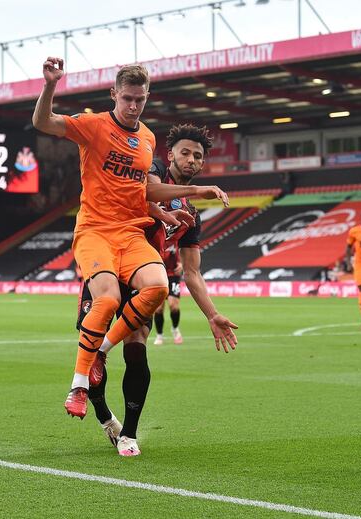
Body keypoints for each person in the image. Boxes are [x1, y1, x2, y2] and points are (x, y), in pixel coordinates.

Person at [31, 57, 230, 419]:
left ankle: (101, 356)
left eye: (140, 99)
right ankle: (78, 386)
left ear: (147, 97)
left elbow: (140, 192)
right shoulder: (93, 126)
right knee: (105, 301)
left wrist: (168, 210)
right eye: (127, 99)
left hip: (131, 236)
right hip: (95, 231)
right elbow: (43, 122)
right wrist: (50, 86)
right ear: (114, 95)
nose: (134, 105)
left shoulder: (147, 139)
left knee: (157, 289)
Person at [83, 124, 238, 456]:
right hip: (109, 257)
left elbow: (193, 272)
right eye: (185, 152)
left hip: (144, 277)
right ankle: (104, 416)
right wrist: (199, 190)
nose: (191, 159)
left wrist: (212, 314)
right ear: (170, 155)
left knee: (136, 347)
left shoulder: (192, 216)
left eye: (198, 156)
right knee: (90, 349)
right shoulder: (149, 170)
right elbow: (151, 192)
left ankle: (130, 433)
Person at [152, 243, 183, 345]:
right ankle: (159, 335)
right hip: (158, 274)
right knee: (159, 308)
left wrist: (181, 264)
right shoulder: (156, 237)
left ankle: (175, 329)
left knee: (173, 306)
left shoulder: (175, 235)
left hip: (173, 275)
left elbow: (183, 251)